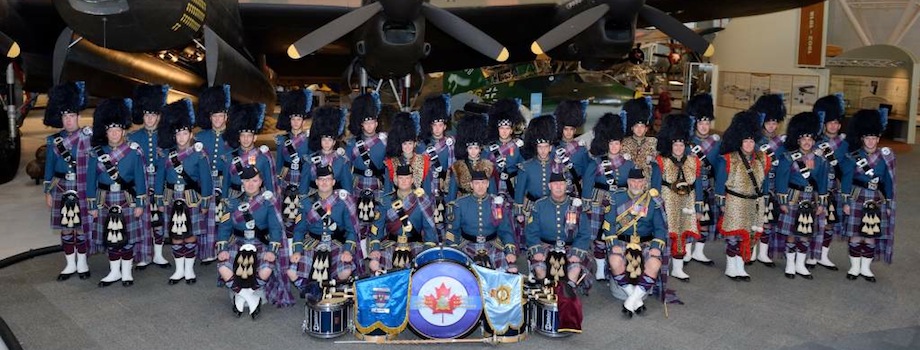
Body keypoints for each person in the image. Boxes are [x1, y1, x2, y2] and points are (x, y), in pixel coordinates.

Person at [86, 98, 147, 287]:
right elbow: (90, 181)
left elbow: (140, 180)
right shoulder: (96, 153)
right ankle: (114, 272)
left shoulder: (133, 151)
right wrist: (92, 205)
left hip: (127, 199)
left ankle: (127, 272)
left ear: (123, 131)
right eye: (110, 130)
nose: (114, 133)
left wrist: (140, 204)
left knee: (127, 238)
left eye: (118, 130)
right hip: (104, 199)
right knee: (110, 238)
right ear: (105, 131)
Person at [216, 166, 291, 318]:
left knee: (266, 269)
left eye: (254, 180)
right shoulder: (232, 202)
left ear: (260, 182)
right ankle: (249, 296)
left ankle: (242, 295)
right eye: (247, 181)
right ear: (242, 182)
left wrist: (272, 250)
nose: (250, 184)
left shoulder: (268, 202)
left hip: (260, 243)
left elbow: (275, 229)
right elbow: (224, 229)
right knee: (223, 267)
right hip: (238, 242)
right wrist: (223, 248)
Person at [154, 99, 214, 285]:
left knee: (190, 234)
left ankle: (189, 269)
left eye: (185, 133)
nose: (181, 137)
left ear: (190, 134)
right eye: (178, 134)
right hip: (171, 197)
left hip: (192, 198)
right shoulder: (166, 155)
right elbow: (159, 179)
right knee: (175, 235)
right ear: (174, 136)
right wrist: (159, 201)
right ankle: (179, 269)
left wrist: (205, 203)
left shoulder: (199, 154)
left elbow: (206, 180)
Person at [43, 81, 93, 282]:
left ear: (79, 117)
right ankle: (70, 264)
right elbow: (49, 168)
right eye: (65, 116)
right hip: (61, 187)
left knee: (80, 227)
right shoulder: (53, 141)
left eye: (72, 116)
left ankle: (82, 263)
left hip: (81, 186)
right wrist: (47, 191)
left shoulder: (88, 138)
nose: (69, 120)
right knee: (66, 227)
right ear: (61, 118)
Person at [840, 108, 896, 282]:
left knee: (870, 236)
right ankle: (854, 267)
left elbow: (888, 183)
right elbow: (846, 181)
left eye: (874, 138)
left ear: (878, 139)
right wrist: (846, 202)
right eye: (867, 138)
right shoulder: (853, 157)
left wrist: (887, 205)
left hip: (876, 200)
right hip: (857, 197)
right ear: (862, 138)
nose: (871, 141)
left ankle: (866, 269)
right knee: (856, 234)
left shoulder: (886, 157)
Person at [602, 168, 667, 316]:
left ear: (645, 183)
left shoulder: (653, 200)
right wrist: (614, 245)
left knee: (655, 263)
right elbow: (608, 224)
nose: (636, 185)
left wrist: (656, 247)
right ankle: (636, 298)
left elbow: (660, 228)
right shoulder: (616, 197)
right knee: (614, 260)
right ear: (628, 182)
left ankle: (630, 302)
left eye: (640, 182)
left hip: (645, 243)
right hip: (621, 241)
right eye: (633, 181)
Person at [715, 111, 771, 281]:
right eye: (745, 141)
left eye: (751, 140)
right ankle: (730, 267)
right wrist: (722, 202)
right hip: (735, 202)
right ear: (739, 141)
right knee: (734, 236)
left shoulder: (763, 159)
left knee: (749, 236)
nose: (748, 144)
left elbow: (765, 183)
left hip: (755, 203)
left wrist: (766, 201)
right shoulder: (728, 159)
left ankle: (740, 266)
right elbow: (719, 183)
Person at [287, 165, 359, 295]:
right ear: (316, 182)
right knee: (291, 272)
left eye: (327, 179)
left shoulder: (343, 202)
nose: (324, 182)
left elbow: (351, 230)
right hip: (313, 242)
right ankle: (309, 289)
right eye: (321, 179)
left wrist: (348, 250)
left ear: (333, 182)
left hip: (336, 242)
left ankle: (331, 288)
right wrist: (297, 251)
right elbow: (298, 230)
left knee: (345, 271)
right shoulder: (307, 202)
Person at [775, 112, 828, 280]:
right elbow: (781, 180)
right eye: (803, 139)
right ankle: (790, 265)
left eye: (810, 139)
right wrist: (782, 201)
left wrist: (821, 203)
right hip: (793, 197)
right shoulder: (788, 157)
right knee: (791, 232)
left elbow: (823, 182)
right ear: (798, 140)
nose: (807, 142)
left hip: (810, 199)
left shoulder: (821, 160)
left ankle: (800, 264)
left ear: (814, 141)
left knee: (805, 233)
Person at [582, 112, 634, 281]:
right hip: (600, 201)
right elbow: (588, 183)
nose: (614, 147)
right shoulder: (596, 162)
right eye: (611, 143)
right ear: (607, 143)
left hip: (620, 201)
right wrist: (587, 203)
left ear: (621, 144)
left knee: (618, 234)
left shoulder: (628, 163)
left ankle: (615, 265)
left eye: (617, 143)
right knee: (599, 236)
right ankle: (600, 268)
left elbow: (633, 185)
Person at [525, 172, 594, 290]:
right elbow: (531, 231)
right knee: (540, 269)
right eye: (555, 184)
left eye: (561, 184)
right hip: (545, 245)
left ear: (566, 186)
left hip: (570, 247)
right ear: (549, 186)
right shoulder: (539, 205)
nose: (558, 187)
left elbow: (584, 232)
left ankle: (567, 297)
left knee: (575, 269)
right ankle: (547, 297)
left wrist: (577, 253)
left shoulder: (576, 205)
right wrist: (537, 250)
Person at [655, 114, 703, 282]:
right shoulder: (661, 160)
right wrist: (655, 207)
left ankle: (678, 268)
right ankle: (662, 266)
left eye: (681, 144)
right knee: (666, 234)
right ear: (670, 144)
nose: (678, 147)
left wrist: (698, 208)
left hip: (687, 202)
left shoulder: (693, 161)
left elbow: (698, 186)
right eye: (675, 144)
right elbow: (654, 186)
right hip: (667, 202)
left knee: (683, 235)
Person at [128, 83, 171, 269]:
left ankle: (159, 254)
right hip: (140, 182)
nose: (149, 118)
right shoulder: (133, 137)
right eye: (146, 114)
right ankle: (144, 254)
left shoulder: (167, 136)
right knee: (142, 218)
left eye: (153, 114)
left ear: (159, 116)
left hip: (160, 181)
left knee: (158, 217)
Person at [368, 164, 438, 272]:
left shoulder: (422, 200)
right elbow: (377, 228)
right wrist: (375, 249)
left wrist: (426, 251)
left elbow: (429, 231)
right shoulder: (385, 200)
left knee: (421, 269)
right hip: (391, 244)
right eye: (401, 178)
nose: (404, 181)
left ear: (412, 180)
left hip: (415, 244)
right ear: (396, 180)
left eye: (407, 178)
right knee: (376, 266)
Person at [446, 169, 517, 272]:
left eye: (483, 183)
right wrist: (454, 250)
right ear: (471, 185)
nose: (480, 186)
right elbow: (453, 231)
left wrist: (510, 251)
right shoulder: (459, 204)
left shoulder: (496, 204)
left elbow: (505, 230)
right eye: (477, 183)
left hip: (492, 245)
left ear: (488, 184)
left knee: (510, 271)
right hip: (467, 245)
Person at [344, 92, 387, 257]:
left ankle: (376, 252)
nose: (369, 126)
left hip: (378, 184)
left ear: (377, 123)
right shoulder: (352, 144)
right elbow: (346, 171)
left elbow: (389, 168)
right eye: (366, 122)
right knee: (359, 219)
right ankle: (361, 253)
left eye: (372, 122)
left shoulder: (385, 142)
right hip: (358, 184)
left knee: (378, 217)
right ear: (361, 124)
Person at [194, 85, 233, 265]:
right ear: (210, 117)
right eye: (214, 116)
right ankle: (207, 251)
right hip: (206, 181)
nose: (217, 119)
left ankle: (225, 250)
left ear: (226, 117)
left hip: (226, 181)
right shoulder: (200, 137)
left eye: (221, 116)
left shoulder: (233, 137)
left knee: (225, 216)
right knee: (207, 217)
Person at [810, 94, 848, 270]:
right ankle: (811, 254)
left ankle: (823, 255)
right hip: (818, 187)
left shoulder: (845, 143)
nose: (834, 125)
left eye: (837, 123)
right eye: (831, 122)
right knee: (813, 220)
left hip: (835, 188)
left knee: (830, 222)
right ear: (824, 123)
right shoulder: (815, 141)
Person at [275, 89, 313, 251]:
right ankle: (290, 249)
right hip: (287, 178)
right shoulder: (283, 140)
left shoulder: (310, 140)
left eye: (299, 119)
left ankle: (302, 246)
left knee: (303, 213)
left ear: (303, 120)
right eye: (293, 119)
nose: (296, 122)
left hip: (303, 178)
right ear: (289, 120)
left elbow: (312, 164)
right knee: (288, 215)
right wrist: (276, 182)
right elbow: (278, 163)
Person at [750, 93, 786, 267]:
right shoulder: (755, 140)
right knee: (753, 219)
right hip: (756, 184)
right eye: (769, 122)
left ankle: (764, 253)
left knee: (769, 219)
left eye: (775, 123)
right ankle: (750, 251)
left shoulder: (782, 142)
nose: (772, 126)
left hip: (772, 185)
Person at [485, 99, 526, 247]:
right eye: (501, 128)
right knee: (497, 216)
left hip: (513, 187)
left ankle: (516, 247)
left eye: (507, 128)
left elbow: (524, 168)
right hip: (495, 186)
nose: (504, 131)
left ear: (512, 129)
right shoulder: (489, 148)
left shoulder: (519, 145)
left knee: (515, 217)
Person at [686, 93, 719, 265]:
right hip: (691, 185)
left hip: (709, 186)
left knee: (705, 220)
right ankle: (685, 252)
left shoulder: (716, 143)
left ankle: (699, 251)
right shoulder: (687, 142)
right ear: (695, 123)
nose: (705, 126)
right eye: (701, 123)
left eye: (707, 123)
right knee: (689, 220)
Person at [417, 94, 455, 235]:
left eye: (440, 125)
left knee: (447, 222)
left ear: (445, 126)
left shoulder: (451, 143)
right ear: (429, 126)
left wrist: (451, 194)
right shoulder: (421, 146)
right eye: (434, 125)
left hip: (446, 187)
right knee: (429, 222)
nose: (438, 129)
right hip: (428, 187)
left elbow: (454, 170)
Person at [515, 115, 559, 234]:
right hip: (531, 205)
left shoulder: (557, 165)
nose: (543, 150)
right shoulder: (525, 166)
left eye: (545, 147)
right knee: (530, 234)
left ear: (550, 148)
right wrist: (519, 211)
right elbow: (520, 191)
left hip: (552, 204)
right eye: (540, 147)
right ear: (536, 148)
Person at [224, 103, 274, 198]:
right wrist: (224, 200)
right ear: (238, 138)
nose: (246, 139)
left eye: (249, 136)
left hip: (258, 199)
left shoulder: (263, 158)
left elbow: (269, 183)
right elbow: (226, 183)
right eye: (243, 135)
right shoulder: (229, 157)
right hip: (234, 198)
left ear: (254, 138)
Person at [302, 105, 353, 193]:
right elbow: (303, 187)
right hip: (313, 200)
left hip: (336, 200)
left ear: (334, 142)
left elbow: (347, 189)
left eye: (329, 140)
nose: (326, 143)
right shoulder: (310, 160)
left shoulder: (342, 161)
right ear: (320, 140)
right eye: (324, 140)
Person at [447, 112, 495, 202]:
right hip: (463, 203)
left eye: (476, 148)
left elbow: (492, 192)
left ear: (480, 149)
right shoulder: (457, 166)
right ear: (466, 149)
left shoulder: (488, 165)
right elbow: (452, 193)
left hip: (484, 202)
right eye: (470, 148)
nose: (473, 151)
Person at [383, 112, 432, 193]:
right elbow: (387, 190)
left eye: (410, 143)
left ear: (415, 144)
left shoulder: (424, 161)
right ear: (400, 144)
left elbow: (427, 189)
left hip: (418, 202)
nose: (407, 147)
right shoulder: (391, 163)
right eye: (404, 144)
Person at [554, 100, 590, 196]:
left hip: (576, 190)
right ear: (561, 129)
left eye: (571, 129)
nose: (568, 132)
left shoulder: (582, 149)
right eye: (566, 129)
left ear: (575, 130)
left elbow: (586, 173)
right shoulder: (553, 147)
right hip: (556, 190)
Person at [621, 97, 658, 180]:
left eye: (642, 126)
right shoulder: (624, 142)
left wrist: (653, 159)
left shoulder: (653, 142)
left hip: (647, 181)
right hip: (628, 181)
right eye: (636, 126)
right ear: (632, 128)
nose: (639, 129)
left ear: (646, 129)